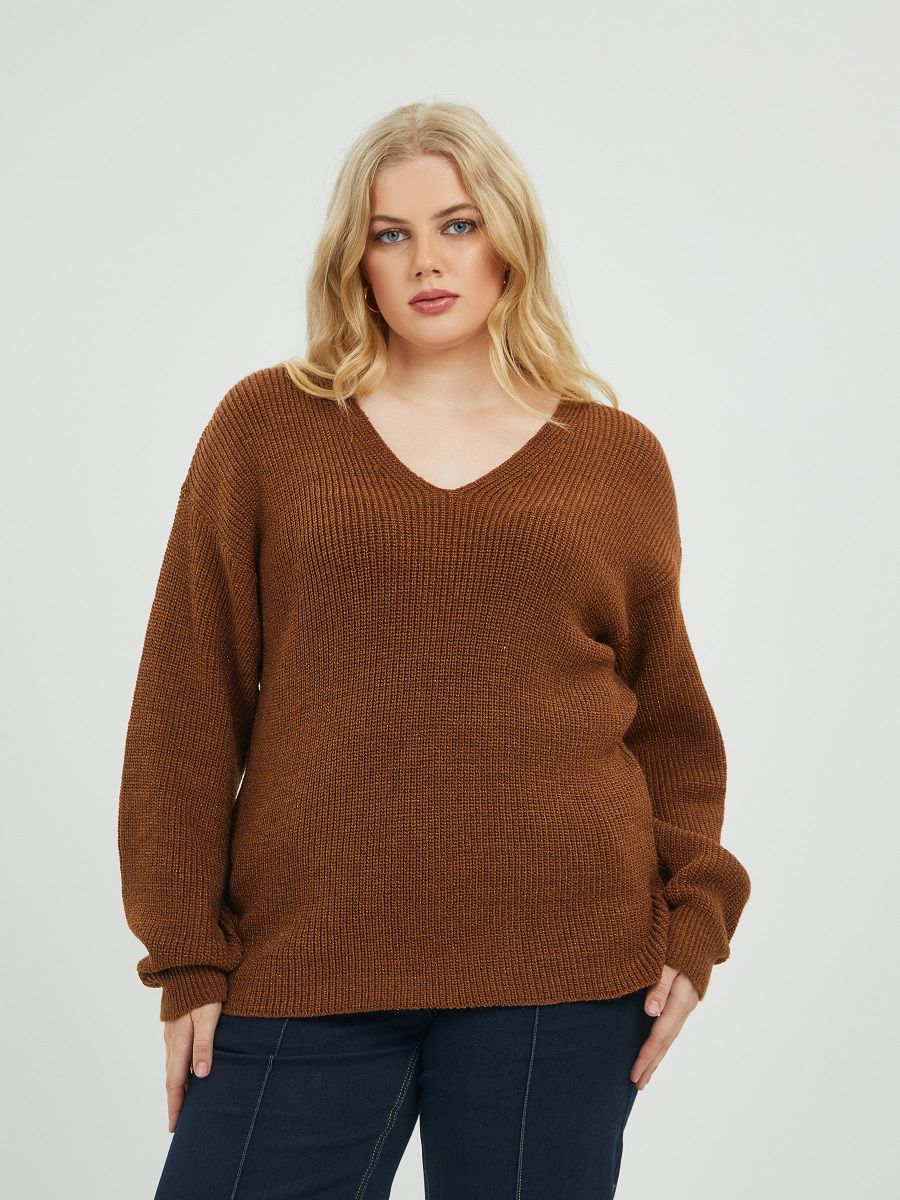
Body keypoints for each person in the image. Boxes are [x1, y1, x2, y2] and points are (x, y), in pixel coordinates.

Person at [118, 101, 751, 1200]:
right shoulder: (267, 429)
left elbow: (668, 720)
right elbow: (187, 701)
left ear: (508, 237)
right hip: (304, 955)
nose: (426, 261)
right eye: (390, 233)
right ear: (353, 257)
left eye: (458, 225)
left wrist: (694, 924)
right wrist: (186, 955)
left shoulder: (613, 458)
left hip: (565, 969)